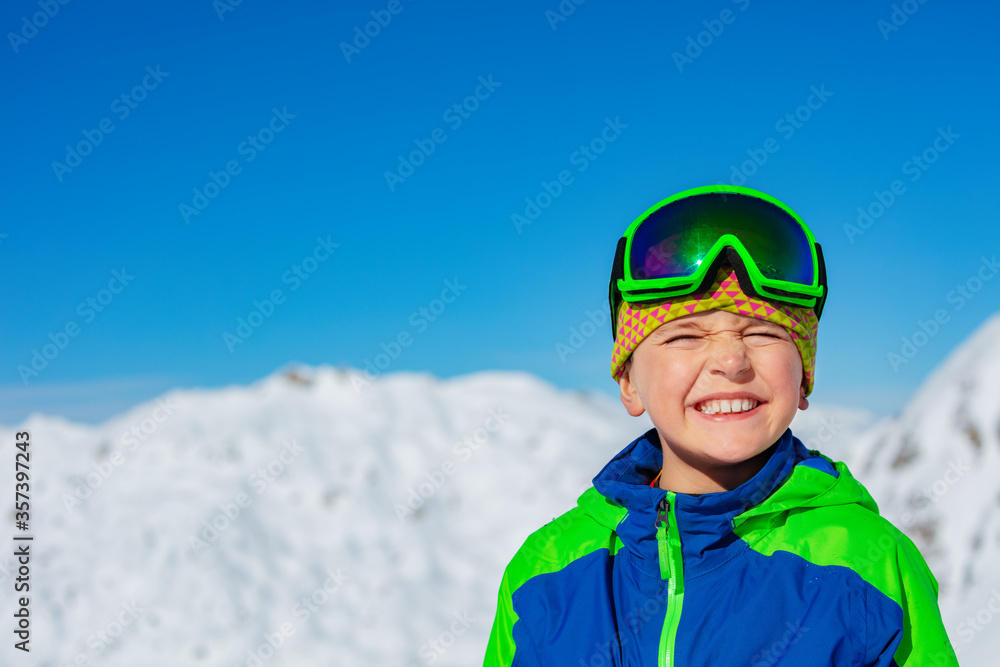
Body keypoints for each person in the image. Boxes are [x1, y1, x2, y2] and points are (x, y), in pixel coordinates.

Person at [483, 185, 958, 666]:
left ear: (803, 378)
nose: (731, 360)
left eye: (763, 332)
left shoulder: (869, 565)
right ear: (628, 380)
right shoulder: (545, 575)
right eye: (685, 336)